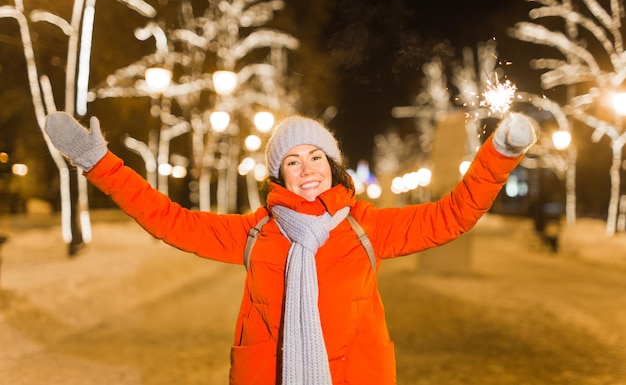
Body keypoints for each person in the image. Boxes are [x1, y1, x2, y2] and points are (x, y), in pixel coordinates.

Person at [44, 110, 536, 385]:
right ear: (280, 175)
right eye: (293, 162)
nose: (308, 170)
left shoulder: (367, 227)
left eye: (316, 157)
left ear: (333, 164)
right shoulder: (257, 232)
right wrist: (99, 162)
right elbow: (169, 220)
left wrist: (500, 154)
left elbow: (454, 215)